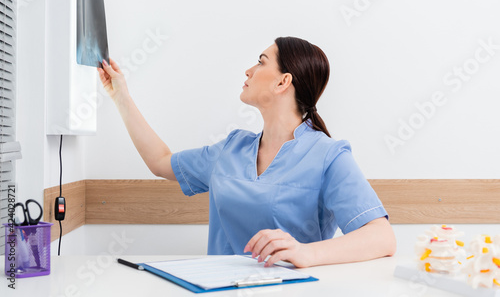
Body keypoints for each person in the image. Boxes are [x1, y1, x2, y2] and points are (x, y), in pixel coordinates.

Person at [98, 36, 396, 268]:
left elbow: (382, 237)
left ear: (283, 81)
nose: (249, 70)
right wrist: (120, 95)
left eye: (261, 62)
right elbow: (160, 162)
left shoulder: (328, 156)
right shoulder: (232, 148)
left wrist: (305, 253)